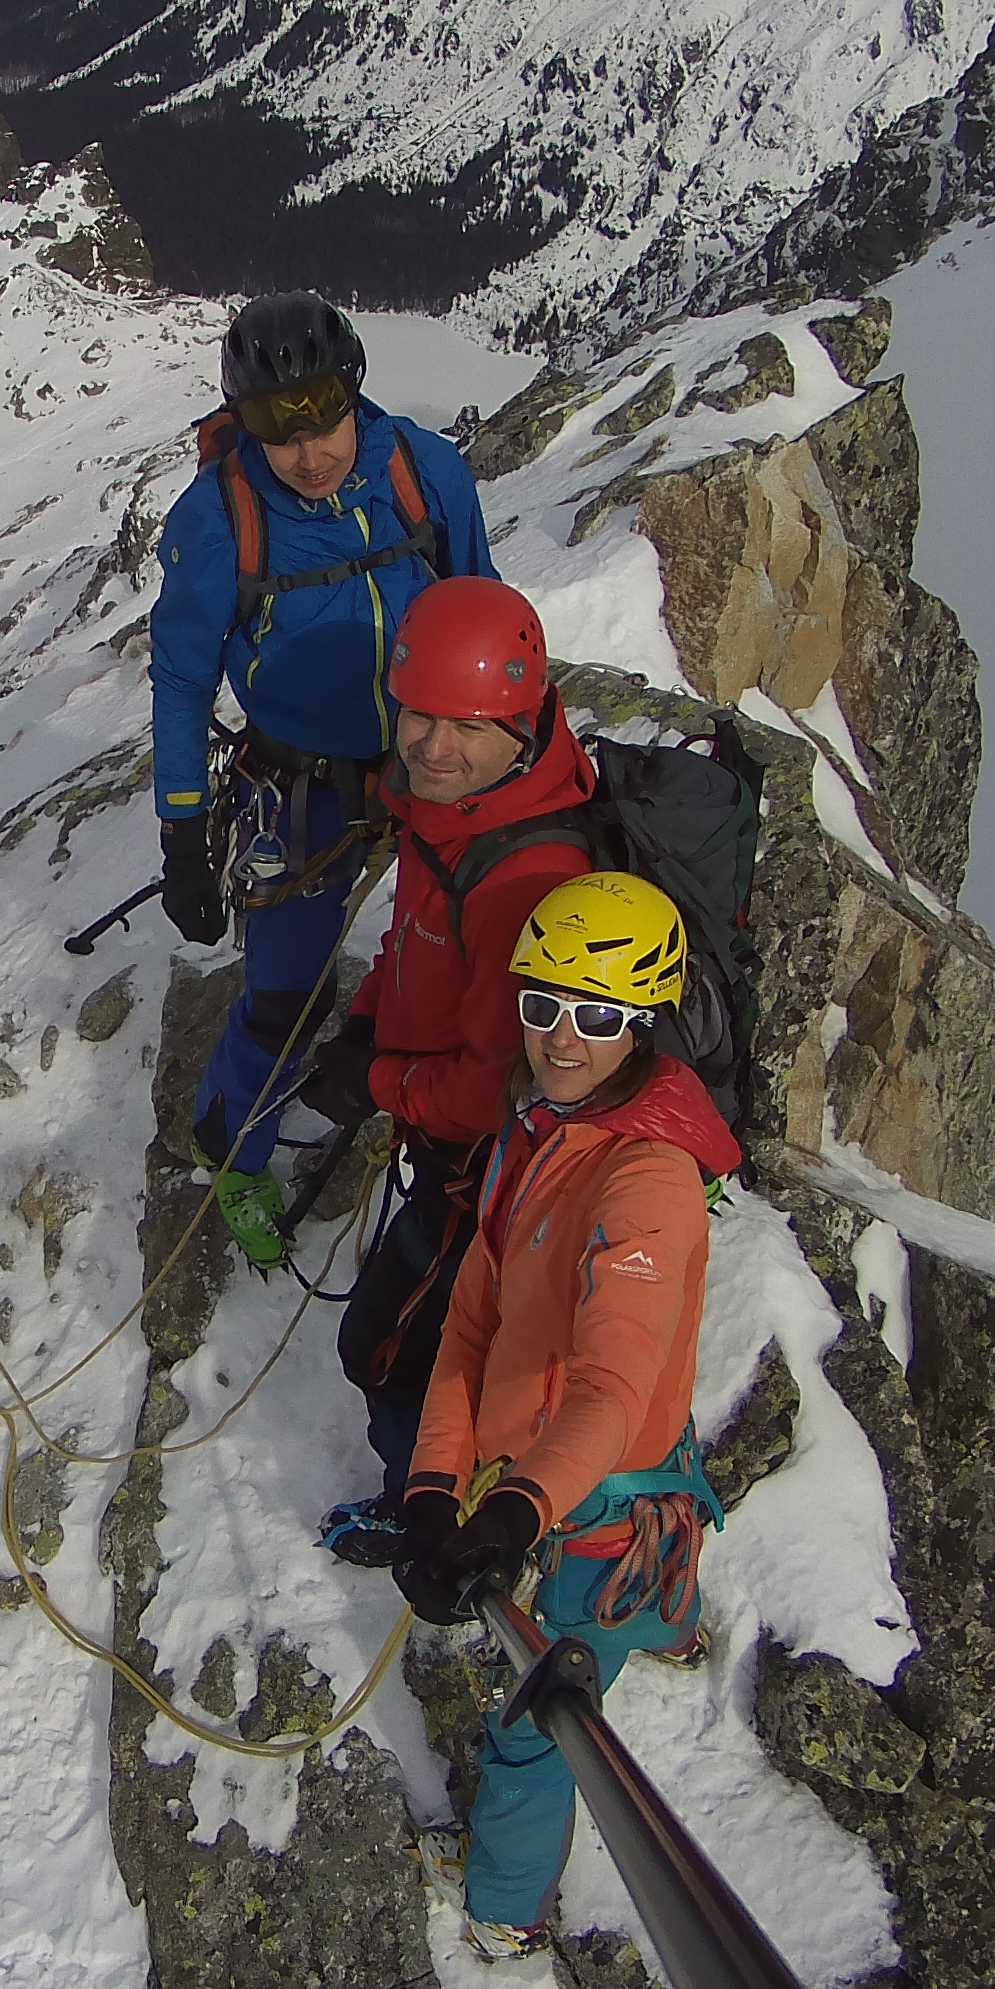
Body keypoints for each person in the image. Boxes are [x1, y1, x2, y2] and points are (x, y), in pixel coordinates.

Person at [390, 871, 742, 1962]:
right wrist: (433, 1487)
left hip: (587, 1498)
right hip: (584, 1479)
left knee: (539, 1726)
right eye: (544, 1005)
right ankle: (667, 1626)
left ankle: (502, 1908)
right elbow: (469, 1329)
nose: (561, 1037)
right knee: (632, 1566)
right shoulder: (536, 1130)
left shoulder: (646, 1184)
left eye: (597, 1016)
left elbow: (610, 1389)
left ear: (644, 1023)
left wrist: (515, 1513)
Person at [150, 293, 495, 1258]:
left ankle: (443, 1123)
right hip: (302, 789)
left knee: (463, 960)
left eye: (322, 412)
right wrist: (183, 833)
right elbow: (181, 678)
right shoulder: (221, 518)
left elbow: (479, 607)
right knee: (284, 1001)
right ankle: (235, 1154)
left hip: (432, 766)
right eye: (274, 426)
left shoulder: (425, 473)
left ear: (354, 391)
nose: (308, 453)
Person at [309, 577, 600, 1564]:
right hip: (444, 1147)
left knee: (390, 1354)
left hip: (482, 1172)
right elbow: (411, 943)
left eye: (466, 725)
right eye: (418, 715)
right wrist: (363, 1025)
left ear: (521, 721)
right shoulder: (454, 816)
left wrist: (377, 1083)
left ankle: (425, 1507)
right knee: (407, 1345)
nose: (433, 745)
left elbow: (498, 1084)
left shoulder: (526, 877)